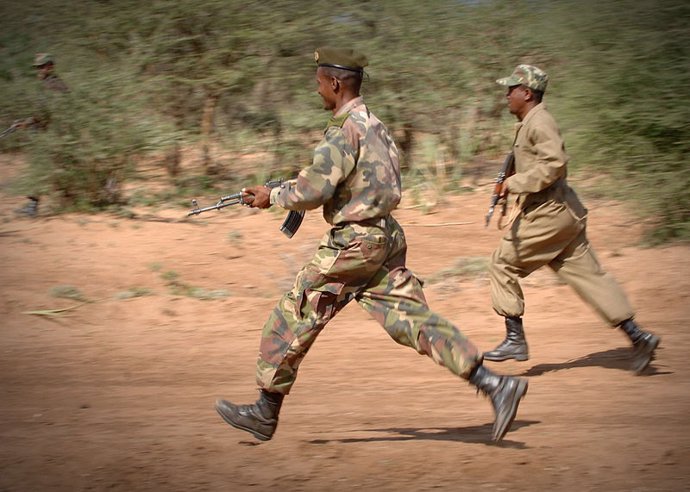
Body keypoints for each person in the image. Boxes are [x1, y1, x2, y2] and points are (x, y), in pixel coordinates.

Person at [214, 47, 528, 443]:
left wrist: (272, 196)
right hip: (384, 237)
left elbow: (312, 191)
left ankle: (265, 410)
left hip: (354, 243)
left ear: (335, 83)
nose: (317, 92)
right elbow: (362, 181)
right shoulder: (376, 126)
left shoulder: (343, 132)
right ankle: (495, 385)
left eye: (318, 84)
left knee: (294, 313)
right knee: (413, 320)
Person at [483, 64, 660, 374]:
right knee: (590, 277)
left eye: (511, 89)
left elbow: (555, 165)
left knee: (502, 264)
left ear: (527, 93)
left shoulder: (540, 122)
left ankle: (515, 339)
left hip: (549, 213)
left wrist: (513, 184)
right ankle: (638, 336)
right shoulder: (529, 122)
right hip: (565, 215)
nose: (506, 94)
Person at [15, 53, 69, 218]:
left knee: (39, 166)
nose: (39, 70)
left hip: (47, 132)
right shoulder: (47, 84)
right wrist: (26, 121)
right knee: (43, 166)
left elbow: (48, 112)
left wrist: (28, 122)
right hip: (42, 130)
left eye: (42, 66)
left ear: (50, 66)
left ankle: (33, 206)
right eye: (38, 67)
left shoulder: (54, 85)